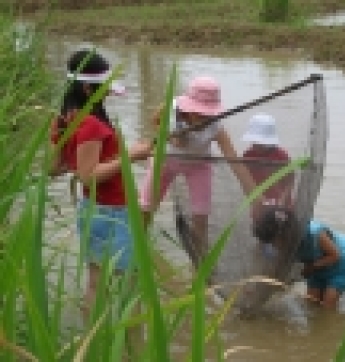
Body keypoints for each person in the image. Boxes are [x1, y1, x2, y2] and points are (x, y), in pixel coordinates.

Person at [49, 49, 152, 354]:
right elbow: (89, 176)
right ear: (87, 88)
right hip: (114, 212)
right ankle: (135, 351)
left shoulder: (65, 120)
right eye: (105, 86)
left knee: (96, 283)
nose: (109, 92)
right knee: (132, 286)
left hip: (90, 210)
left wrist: (78, 159)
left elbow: (54, 168)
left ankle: (94, 347)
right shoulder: (92, 124)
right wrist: (130, 155)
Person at [139, 75, 258, 266]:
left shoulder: (216, 125)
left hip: (198, 165)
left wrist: (255, 195)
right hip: (165, 161)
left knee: (201, 216)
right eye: (199, 113)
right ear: (188, 107)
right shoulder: (171, 113)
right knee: (146, 209)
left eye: (208, 113)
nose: (204, 117)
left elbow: (234, 160)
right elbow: (157, 127)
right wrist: (171, 136)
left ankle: (200, 264)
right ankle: (137, 249)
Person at [253, 205, 345, 310]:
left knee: (327, 305)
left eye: (274, 242)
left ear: (284, 234)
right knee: (311, 304)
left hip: (338, 264)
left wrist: (311, 267)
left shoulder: (315, 234)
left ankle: (335, 291)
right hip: (314, 267)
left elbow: (335, 255)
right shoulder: (281, 241)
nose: (273, 246)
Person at [242, 113, 294, 207]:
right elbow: (245, 180)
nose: (255, 145)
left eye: (259, 143)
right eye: (254, 142)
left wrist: (282, 200)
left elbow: (289, 182)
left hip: (281, 203)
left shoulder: (281, 156)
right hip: (258, 201)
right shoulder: (248, 155)